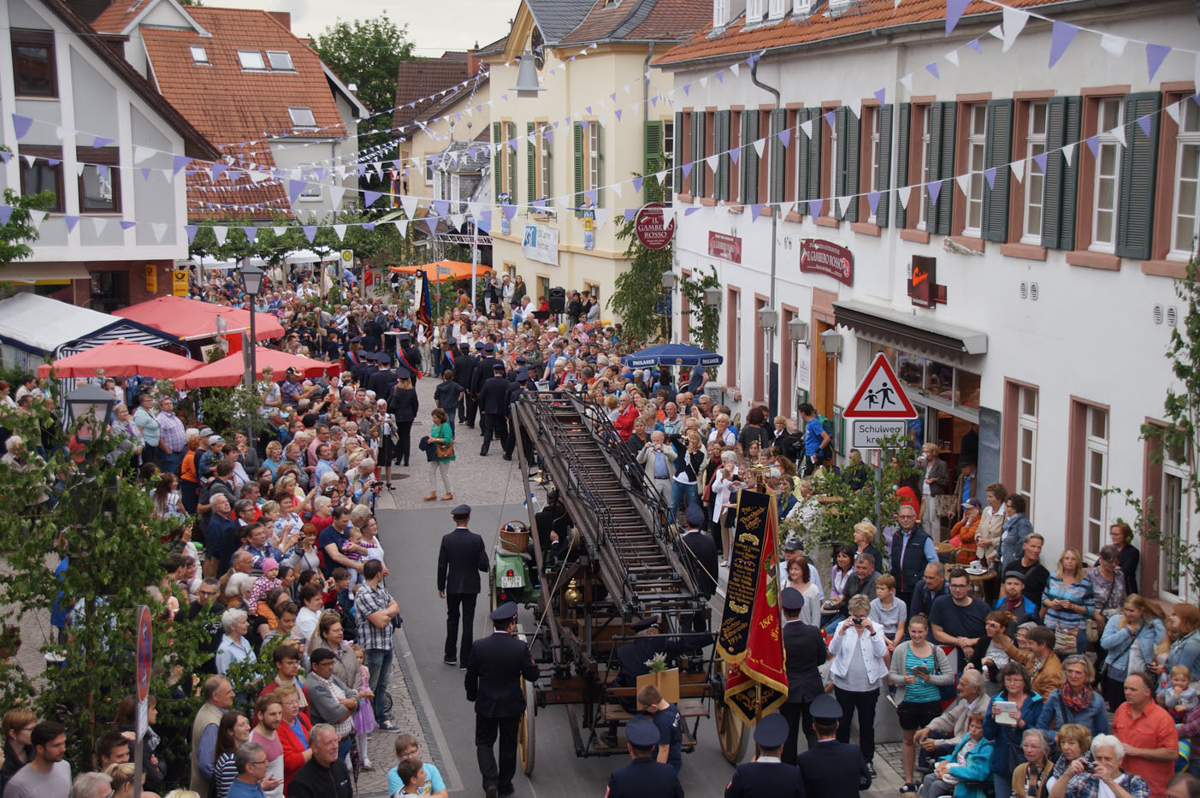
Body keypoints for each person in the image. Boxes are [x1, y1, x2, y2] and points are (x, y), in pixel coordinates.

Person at [464, 602, 540, 798]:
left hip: (486, 703)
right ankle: (504, 785)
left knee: (484, 742)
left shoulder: (479, 646)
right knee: (508, 745)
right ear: (512, 624)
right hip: (511, 705)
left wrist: (473, 695)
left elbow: (471, 676)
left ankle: (490, 780)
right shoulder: (519, 648)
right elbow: (532, 675)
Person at [890, 614, 954, 793]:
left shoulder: (935, 650)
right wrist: (903, 679)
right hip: (908, 701)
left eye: (920, 632)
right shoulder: (902, 649)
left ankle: (928, 778)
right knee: (908, 740)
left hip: (930, 701)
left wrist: (930, 678)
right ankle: (909, 779)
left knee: (930, 741)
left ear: (926, 632)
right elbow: (891, 675)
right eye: (913, 632)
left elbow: (949, 677)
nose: (916, 636)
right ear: (908, 631)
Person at [830, 594, 888, 777]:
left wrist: (871, 632)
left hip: (868, 687)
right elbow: (832, 650)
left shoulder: (876, 629)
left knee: (866, 725)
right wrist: (841, 632)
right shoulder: (842, 627)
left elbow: (882, 652)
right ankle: (842, 759)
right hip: (844, 685)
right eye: (855, 616)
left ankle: (867, 760)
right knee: (843, 724)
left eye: (861, 616)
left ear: (868, 614)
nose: (858, 620)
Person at [1112, 672, 1179, 798]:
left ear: (1147, 692)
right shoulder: (1121, 709)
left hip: (1151, 789)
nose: (1127, 692)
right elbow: (1116, 736)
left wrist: (1136, 751)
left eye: (1133, 689)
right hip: (1123, 785)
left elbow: (1172, 753)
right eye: (1125, 688)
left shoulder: (1162, 718)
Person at [437, 504, 488, 667]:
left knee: (452, 619)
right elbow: (483, 566)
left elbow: (442, 564)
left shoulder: (447, 539)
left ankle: (450, 654)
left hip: (452, 584)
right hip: (471, 585)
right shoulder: (476, 539)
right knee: (468, 621)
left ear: (454, 519)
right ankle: (465, 659)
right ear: (469, 518)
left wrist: (441, 585)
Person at [983, 662, 1045, 798]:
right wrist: (991, 718)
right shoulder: (996, 700)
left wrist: (1022, 723)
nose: (1012, 683)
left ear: (1024, 682)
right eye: (1008, 680)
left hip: (1027, 761)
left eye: (1016, 680)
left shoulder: (1036, 702)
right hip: (1002, 760)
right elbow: (988, 735)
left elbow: (1041, 734)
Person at [780, 586, 826, 763]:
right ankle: (815, 764)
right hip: (812, 687)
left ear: (784, 611)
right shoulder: (813, 632)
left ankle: (790, 767)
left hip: (790, 689)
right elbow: (821, 658)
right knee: (812, 729)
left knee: (790, 733)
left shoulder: (782, 635)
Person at [354, 558, 401, 730]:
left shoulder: (380, 589)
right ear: (378, 574)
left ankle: (381, 717)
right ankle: (364, 719)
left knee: (382, 684)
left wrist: (384, 613)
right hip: (373, 646)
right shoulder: (364, 594)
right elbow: (379, 622)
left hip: (386, 644)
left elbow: (396, 607)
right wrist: (387, 614)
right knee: (370, 686)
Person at [797, 693, 872, 798]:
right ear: (837, 725)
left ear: (814, 727)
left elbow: (803, 791)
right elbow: (866, 782)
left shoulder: (805, 759)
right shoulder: (853, 751)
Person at [914, 669, 991, 769]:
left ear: (974, 689)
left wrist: (937, 743)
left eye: (962, 685)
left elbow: (969, 738)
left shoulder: (984, 708)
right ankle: (924, 773)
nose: (958, 687)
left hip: (971, 746)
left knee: (943, 747)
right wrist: (928, 728)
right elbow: (950, 718)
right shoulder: (966, 701)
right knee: (930, 734)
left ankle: (935, 772)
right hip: (960, 741)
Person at [723, 713, 805, 798]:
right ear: (781, 748)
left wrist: (750, 766)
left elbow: (729, 795)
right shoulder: (794, 775)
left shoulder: (744, 772)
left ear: (758, 745)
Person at [1048, 734, 1152, 798]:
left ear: (1120, 760)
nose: (1103, 763)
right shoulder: (1085, 779)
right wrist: (1068, 774)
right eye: (1098, 758)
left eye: (1108, 759)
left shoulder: (1135, 781)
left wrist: (1109, 782)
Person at [1037, 655, 1109, 742]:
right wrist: (1055, 736)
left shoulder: (1097, 701)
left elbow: (1103, 735)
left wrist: (1084, 741)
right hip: (1062, 748)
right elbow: (1040, 728)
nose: (1073, 676)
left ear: (1087, 675)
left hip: (1087, 751)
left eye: (1078, 672)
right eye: (1070, 671)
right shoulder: (1056, 696)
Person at [917, 713, 992, 798]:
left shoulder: (987, 748)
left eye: (978, 728)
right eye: (971, 726)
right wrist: (944, 762)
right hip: (953, 773)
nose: (973, 730)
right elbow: (956, 756)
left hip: (965, 780)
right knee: (928, 778)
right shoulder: (967, 739)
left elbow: (978, 773)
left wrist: (951, 771)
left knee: (937, 785)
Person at [929, 568, 989, 671]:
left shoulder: (982, 608)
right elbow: (937, 633)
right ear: (949, 586)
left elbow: (991, 636)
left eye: (961, 586)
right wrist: (961, 643)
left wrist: (971, 642)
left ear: (968, 587)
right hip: (947, 658)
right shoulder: (940, 603)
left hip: (975, 659)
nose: (957, 590)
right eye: (954, 586)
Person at [305, 647, 359, 763]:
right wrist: (354, 704)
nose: (331, 667)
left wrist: (351, 701)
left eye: (332, 663)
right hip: (330, 745)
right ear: (315, 666)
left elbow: (351, 692)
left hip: (345, 740)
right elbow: (336, 716)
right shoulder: (314, 687)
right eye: (326, 664)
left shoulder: (332, 678)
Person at [1042, 547, 1094, 655]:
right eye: (1067, 558)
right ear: (1062, 561)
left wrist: (1073, 606)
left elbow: (1090, 610)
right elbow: (1044, 597)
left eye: (1073, 559)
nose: (1070, 561)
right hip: (1052, 626)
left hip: (1073, 631)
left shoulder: (1085, 583)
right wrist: (1051, 604)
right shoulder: (1053, 577)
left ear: (1077, 562)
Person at [889, 505, 939, 612]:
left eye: (909, 517)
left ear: (914, 519)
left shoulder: (924, 538)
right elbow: (891, 557)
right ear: (898, 519)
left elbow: (934, 562)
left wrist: (924, 579)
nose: (905, 520)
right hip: (898, 585)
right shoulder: (896, 536)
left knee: (913, 614)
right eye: (902, 517)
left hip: (915, 587)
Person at [190, 676, 234, 796]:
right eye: (229, 692)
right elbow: (206, 766)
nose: (233, 694)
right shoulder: (212, 725)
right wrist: (224, 784)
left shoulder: (209, 711)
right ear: (215, 696)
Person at [2, 722, 70, 798]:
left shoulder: (65, 767)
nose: (63, 749)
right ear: (40, 749)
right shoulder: (17, 784)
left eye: (63, 743)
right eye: (56, 745)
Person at [678, 503, 717, 632]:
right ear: (701, 522)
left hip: (686, 589)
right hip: (704, 587)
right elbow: (713, 568)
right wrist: (712, 588)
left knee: (686, 621)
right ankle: (699, 647)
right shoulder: (709, 542)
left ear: (687, 521)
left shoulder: (681, 543)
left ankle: (687, 649)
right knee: (700, 620)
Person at [286, 724, 352, 798]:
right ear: (314, 748)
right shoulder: (300, 783)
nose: (335, 746)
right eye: (329, 743)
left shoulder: (340, 766)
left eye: (336, 741)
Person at [999, 625, 1064, 699]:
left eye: (1030, 643)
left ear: (1042, 645)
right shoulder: (1036, 657)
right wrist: (998, 635)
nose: (1027, 646)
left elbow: (1048, 701)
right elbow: (1016, 654)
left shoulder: (1051, 671)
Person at [637, 684, 682, 775]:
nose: (644, 710)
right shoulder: (672, 707)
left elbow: (664, 750)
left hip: (669, 761)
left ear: (653, 706)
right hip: (676, 754)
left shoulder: (662, 722)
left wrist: (658, 774)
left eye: (645, 708)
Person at [273, 685, 311, 793]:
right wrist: (315, 750)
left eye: (296, 701)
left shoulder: (301, 717)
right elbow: (289, 762)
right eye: (290, 703)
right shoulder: (278, 728)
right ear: (279, 706)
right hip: (293, 783)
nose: (295, 705)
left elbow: (314, 737)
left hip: (309, 777)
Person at [248, 695, 284, 798]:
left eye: (280, 713)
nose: (277, 718)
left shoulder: (274, 731)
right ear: (260, 715)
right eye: (272, 714)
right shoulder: (254, 744)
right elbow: (250, 780)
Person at [212, 711, 251, 798]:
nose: (248, 728)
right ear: (230, 731)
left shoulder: (237, 755)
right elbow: (230, 794)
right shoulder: (231, 761)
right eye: (242, 725)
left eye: (247, 724)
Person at [1047, 724, 1096, 792]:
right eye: (1062, 742)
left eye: (1071, 743)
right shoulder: (1059, 762)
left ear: (1082, 744)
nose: (1065, 747)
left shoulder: (1089, 766)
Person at [1011, 729, 1054, 798]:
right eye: (1025, 745)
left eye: (1034, 747)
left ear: (1045, 750)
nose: (1028, 750)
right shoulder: (1019, 770)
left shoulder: (1053, 771)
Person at [1, 710, 36, 795]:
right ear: (13, 733)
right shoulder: (3, 759)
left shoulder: (36, 753)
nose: (35, 733)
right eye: (30, 730)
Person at [424, 408, 454, 502]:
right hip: (435, 452)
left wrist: (435, 440)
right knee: (431, 472)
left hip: (444, 452)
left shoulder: (445, 426)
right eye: (433, 417)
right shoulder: (434, 425)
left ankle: (449, 492)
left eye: (435, 418)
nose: (433, 419)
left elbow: (448, 440)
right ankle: (433, 492)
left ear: (440, 418)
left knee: (444, 473)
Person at [1000, 495, 1035, 573]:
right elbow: (1004, 541)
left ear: (1016, 508)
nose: (1006, 509)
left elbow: (1025, 541)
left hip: (1013, 565)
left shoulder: (1023, 523)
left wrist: (1015, 556)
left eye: (1008, 507)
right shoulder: (1010, 522)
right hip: (1004, 561)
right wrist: (995, 552)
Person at [1110, 522, 1141, 597]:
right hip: (1109, 588)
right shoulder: (1109, 549)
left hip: (1126, 589)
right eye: (1111, 534)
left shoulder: (1132, 552)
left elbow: (1124, 572)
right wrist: (1115, 567)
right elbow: (1097, 565)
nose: (1113, 537)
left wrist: (1108, 566)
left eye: (1116, 534)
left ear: (1125, 536)